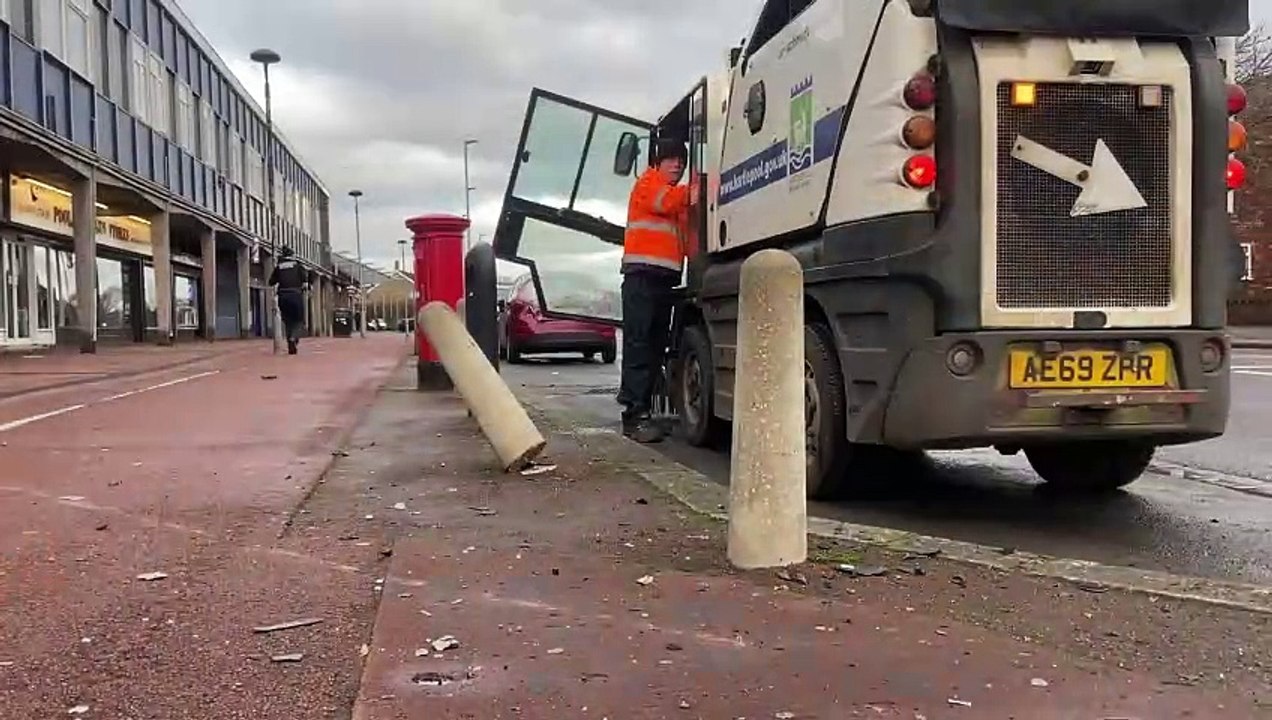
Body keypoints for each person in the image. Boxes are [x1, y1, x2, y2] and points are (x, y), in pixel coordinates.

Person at [617, 138, 692, 443]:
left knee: (653, 348)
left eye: (682, 161)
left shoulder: (673, 195)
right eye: (672, 159)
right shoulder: (647, 184)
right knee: (639, 345)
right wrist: (695, 191)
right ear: (657, 163)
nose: (678, 165)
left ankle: (644, 411)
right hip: (641, 279)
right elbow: (665, 202)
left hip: (662, 281)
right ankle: (633, 415)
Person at [268, 246, 308, 355]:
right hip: (295, 295)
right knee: (299, 320)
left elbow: (271, 282)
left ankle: (290, 341)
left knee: (287, 320)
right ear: (292, 255)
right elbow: (305, 283)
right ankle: (293, 337)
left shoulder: (278, 267)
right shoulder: (298, 266)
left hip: (283, 296)